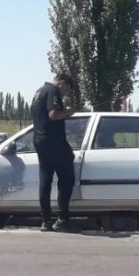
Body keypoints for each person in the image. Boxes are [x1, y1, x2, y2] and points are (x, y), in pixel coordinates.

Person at [31, 73, 81, 233]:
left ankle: (46, 221)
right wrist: (67, 112)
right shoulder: (53, 91)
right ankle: (62, 219)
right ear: (62, 82)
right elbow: (53, 115)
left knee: (45, 180)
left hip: (39, 139)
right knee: (67, 179)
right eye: (67, 89)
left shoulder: (39, 91)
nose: (65, 92)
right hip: (54, 141)